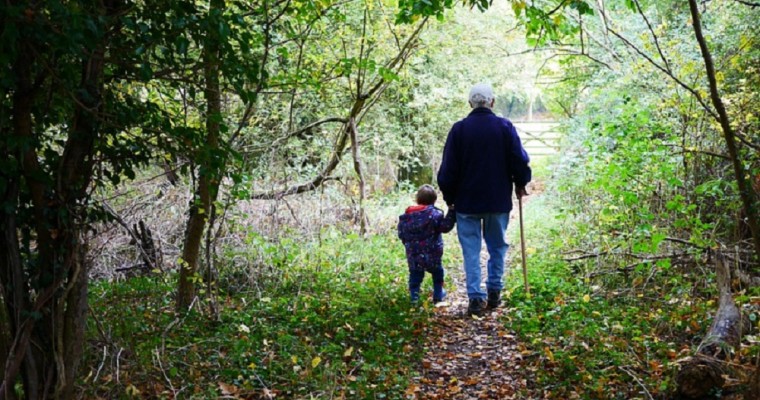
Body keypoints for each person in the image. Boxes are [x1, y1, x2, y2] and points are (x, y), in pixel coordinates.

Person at [437, 83, 531, 316]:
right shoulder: (504, 127)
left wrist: (450, 199)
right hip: (497, 200)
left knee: (471, 250)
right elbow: (519, 160)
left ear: (470, 103)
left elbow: (447, 171)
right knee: (497, 246)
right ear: (492, 102)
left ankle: (476, 299)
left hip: (466, 203)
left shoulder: (458, 130)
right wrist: (521, 182)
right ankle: (494, 292)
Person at [397, 184, 457, 304]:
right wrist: (452, 212)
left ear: (417, 199)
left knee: (415, 275)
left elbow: (401, 234)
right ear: (434, 200)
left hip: (413, 254)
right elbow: (445, 227)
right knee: (437, 273)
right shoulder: (435, 215)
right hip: (432, 253)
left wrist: (409, 245)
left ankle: (414, 298)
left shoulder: (406, 217)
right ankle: (438, 294)